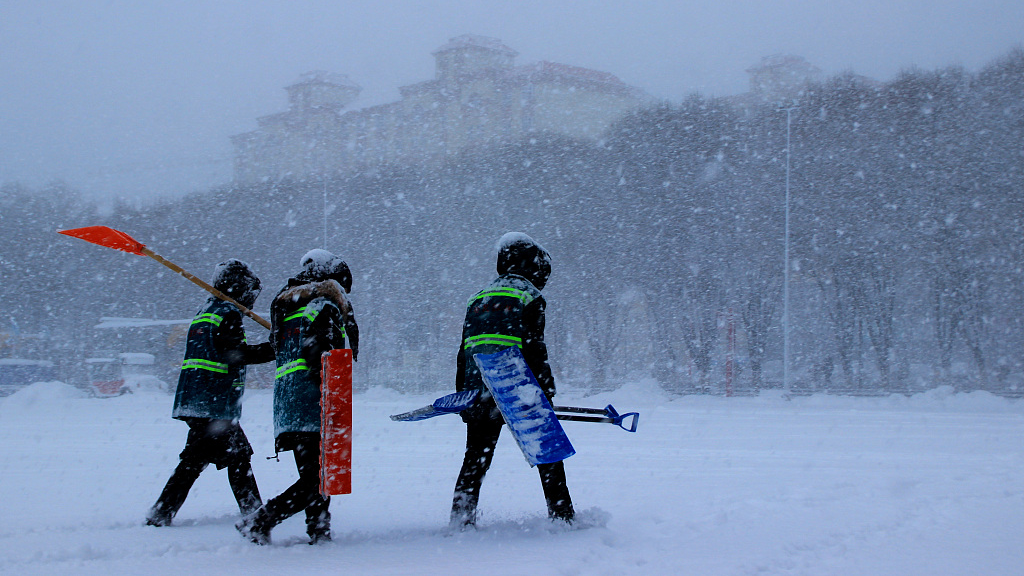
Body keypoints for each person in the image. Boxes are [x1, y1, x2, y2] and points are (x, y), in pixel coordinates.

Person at [450, 232, 575, 529]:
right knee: (547, 456)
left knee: (475, 460)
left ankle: (461, 519)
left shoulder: (478, 297)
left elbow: (463, 351)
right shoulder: (529, 296)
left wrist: (464, 395)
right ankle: (562, 518)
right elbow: (534, 347)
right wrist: (545, 391)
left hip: (479, 388)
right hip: (518, 386)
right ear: (533, 265)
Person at [236, 249, 358, 545]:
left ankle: (319, 530)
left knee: (314, 472)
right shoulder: (323, 306)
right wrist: (332, 401)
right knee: (317, 479)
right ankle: (261, 520)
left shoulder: (286, 307)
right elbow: (321, 355)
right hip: (313, 399)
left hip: (287, 400)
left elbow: (281, 349)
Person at [146, 259, 275, 527]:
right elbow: (234, 354)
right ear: (239, 288)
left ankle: (161, 512)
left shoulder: (207, 311)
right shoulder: (227, 314)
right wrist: (274, 347)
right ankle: (254, 515)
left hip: (196, 400)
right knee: (236, 457)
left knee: (197, 460)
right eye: (249, 292)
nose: (251, 299)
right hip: (213, 404)